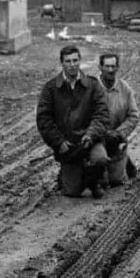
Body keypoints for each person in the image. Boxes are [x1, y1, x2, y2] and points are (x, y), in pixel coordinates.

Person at [37, 45, 110, 198]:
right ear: (62, 63)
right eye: (68, 61)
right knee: (72, 191)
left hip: (90, 141)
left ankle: (94, 180)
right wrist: (59, 142)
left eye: (75, 60)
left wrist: (91, 135)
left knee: (101, 159)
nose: (72, 65)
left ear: (80, 61)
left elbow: (102, 114)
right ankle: (71, 174)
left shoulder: (93, 85)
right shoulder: (50, 89)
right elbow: (44, 120)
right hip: (68, 146)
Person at [97, 53, 140, 187]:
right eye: (107, 66)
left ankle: (124, 158)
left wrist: (118, 134)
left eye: (113, 66)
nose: (110, 70)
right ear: (100, 67)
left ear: (117, 68)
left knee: (116, 181)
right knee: (99, 180)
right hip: (96, 139)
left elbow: (133, 116)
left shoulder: (125, 88)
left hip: (116, 141)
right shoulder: (90, 87)